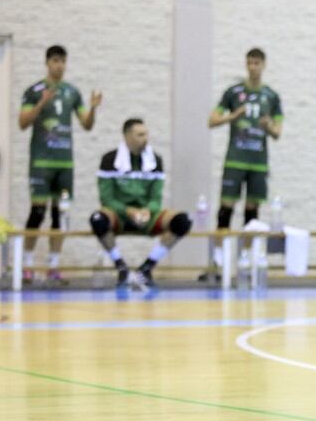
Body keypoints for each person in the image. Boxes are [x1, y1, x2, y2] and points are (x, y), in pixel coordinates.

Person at [18, 45, 101, 284]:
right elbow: (23, 123)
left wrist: (93, 108)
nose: (59, 65)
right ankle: (27, 264)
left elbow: (86, 124)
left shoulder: (72, 92)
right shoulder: (34, 91)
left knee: (60, 214)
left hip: (65, 163)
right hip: (41, 162)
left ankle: (53, 266)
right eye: (55, 60)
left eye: (63, 61)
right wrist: (41, 104)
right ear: (47, 63)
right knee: (37, 213)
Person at [204, 48, 283, 279]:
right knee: (226, 208)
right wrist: (232, 116)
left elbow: (277, 132)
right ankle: (218, 261)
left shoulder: (271, 96)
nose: (253, 67)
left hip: (258, 162)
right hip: (235, 159)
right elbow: (212, 120)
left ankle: (245, 261)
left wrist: (268, 126)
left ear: (263, 65)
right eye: (249, 62)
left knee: (252, 213)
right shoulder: (234, 92)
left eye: (257, 63)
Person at [89, 118, 191, 289]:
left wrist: (147, 211)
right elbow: (107, 199)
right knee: (98, 218)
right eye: (140, 135)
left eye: (146, 134)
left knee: (182, 220)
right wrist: (128, 211)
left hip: (146, 215)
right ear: (127, 136)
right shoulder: (110, 160)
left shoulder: (155, 160)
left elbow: (156, 197)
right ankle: (121, 267)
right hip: (120, 215)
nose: (145, 138)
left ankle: (147, 268)